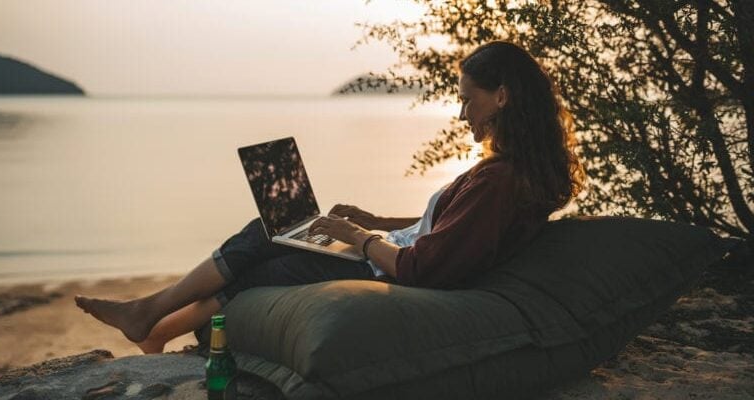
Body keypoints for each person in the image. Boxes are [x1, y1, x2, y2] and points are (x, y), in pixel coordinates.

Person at [75, 41, 585, 353]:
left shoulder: (500, 181)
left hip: (386, 269)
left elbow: (422, 266)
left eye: (466, 99)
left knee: (268, 252)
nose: (460, 114)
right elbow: (448, 225)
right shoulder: (509, 175)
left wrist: (357, 237)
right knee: (282, 229)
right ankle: (153, 325)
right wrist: (375, 218)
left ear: (501, 96)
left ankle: (151, 318)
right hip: (387, 250)